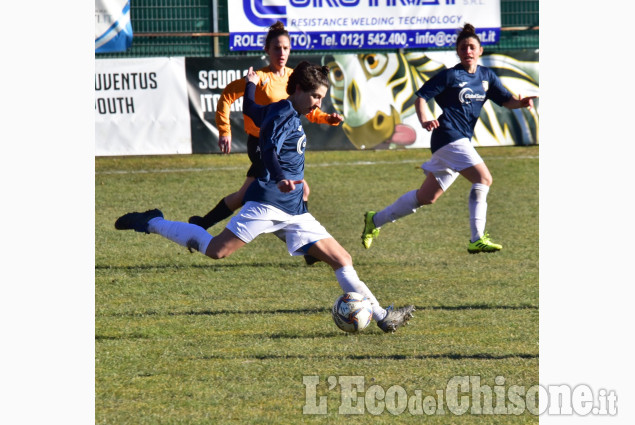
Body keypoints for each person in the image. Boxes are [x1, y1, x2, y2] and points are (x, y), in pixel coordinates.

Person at [115, 61, 415, 333]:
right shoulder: (283, 116)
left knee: (342, 259)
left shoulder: (280, 109)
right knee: (217, 250)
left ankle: (381, 316)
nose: (318, 103)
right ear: (297, 89)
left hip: (295, 209)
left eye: (321, 97)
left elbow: (249, 109)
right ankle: (152, 221)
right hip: (268, 202)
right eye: (315, 96)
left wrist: (249, 84)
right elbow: (270, 148)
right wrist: (281, 175)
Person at [361, 23, 537, 254]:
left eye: (472, 47)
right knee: (484, 178)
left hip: (459, 139)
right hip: (448, 136)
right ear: (458, 51)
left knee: (427, 197)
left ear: (480, 50)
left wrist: (520, 104)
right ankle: (477, 237)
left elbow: (506, 101)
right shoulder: (451, 75)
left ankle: (375, 220)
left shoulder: (487, 76)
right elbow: (421, 98)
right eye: (463, 48)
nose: (468, 52)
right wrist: (425, 119)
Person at [188, 21, 342, 234]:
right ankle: (306, 241)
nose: (282, 52)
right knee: (295, 189)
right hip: (262, 143)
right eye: (276, 48)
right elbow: (227, 96)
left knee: (251, 194)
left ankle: (201, 224)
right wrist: (225, 130)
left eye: (286, 48)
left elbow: (308, 110)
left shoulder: (294, 77)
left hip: (284, 145)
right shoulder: (259, 77)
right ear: (267, 50)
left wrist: (327, 118)